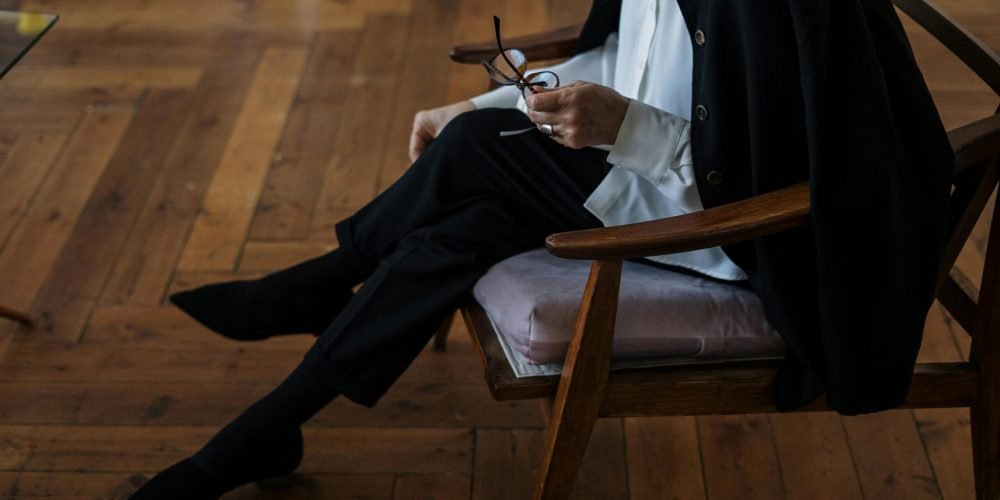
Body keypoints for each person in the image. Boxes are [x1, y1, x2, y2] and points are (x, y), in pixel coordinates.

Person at [131, 0, 953, 497]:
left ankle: (320, 286)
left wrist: (619, 127)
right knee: (464, 222)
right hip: (641, 174)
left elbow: (789, 177)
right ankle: (264, 431)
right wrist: (479, 99)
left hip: (737, 231)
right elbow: (615, 55)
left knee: (475, 155)